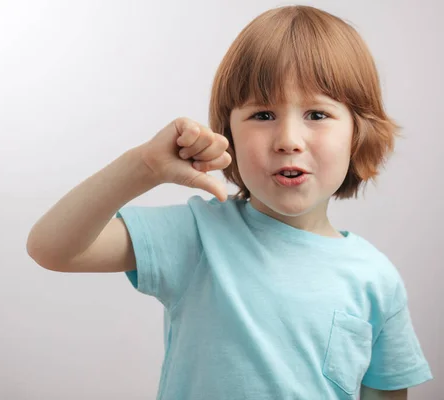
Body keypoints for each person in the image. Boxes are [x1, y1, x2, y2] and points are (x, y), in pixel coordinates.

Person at [26, 5, 433, 399]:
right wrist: (145, 166)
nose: (289, 139)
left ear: (357, 134)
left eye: (317, 114)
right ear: (229, 135)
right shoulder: (197, 237)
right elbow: (52, 247)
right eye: (263, 115)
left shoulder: (376, 279)